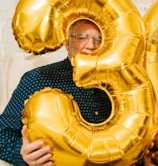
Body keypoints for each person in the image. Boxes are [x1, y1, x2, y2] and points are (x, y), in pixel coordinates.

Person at [0, 19, 112, 165]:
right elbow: (2, 134)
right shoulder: (37, 79)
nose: (91, 45)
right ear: (67, 42)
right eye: (82, 37)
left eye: (99, 39)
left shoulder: (115, 85)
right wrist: (23, 155)